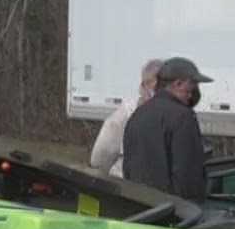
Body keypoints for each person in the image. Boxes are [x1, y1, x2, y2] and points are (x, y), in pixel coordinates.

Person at [122, 57, 212, 200]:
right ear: (178, 84)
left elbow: (128, 168)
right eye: (192, 87)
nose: (192, 95)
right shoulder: (183, 118)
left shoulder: (137, 115)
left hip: (138, 208)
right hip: (173, 213)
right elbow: (188, 176)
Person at [89, 58, 164, 177]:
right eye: (159, 84)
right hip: (125, 185)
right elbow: (99, 157)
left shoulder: (172, 115)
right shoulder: (125, 114)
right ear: (146, 84)